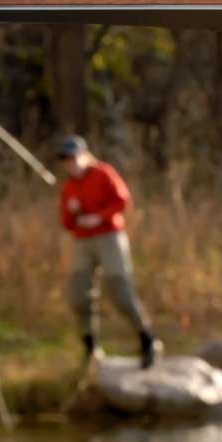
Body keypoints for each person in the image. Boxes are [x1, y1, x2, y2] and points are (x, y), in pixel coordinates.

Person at [57, 135, 160, 369]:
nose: (70, 163)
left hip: (109, 237)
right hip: (82, 241)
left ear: (84, 156)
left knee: (120, 291)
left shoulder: (103, 173)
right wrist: (73, 213)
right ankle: (91, 349)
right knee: (79, 295)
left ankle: (148, 340)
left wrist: (99, 217)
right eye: (65, 160)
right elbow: (66, 223)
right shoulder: (68, 188)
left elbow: (122, 201)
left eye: (73, 158)